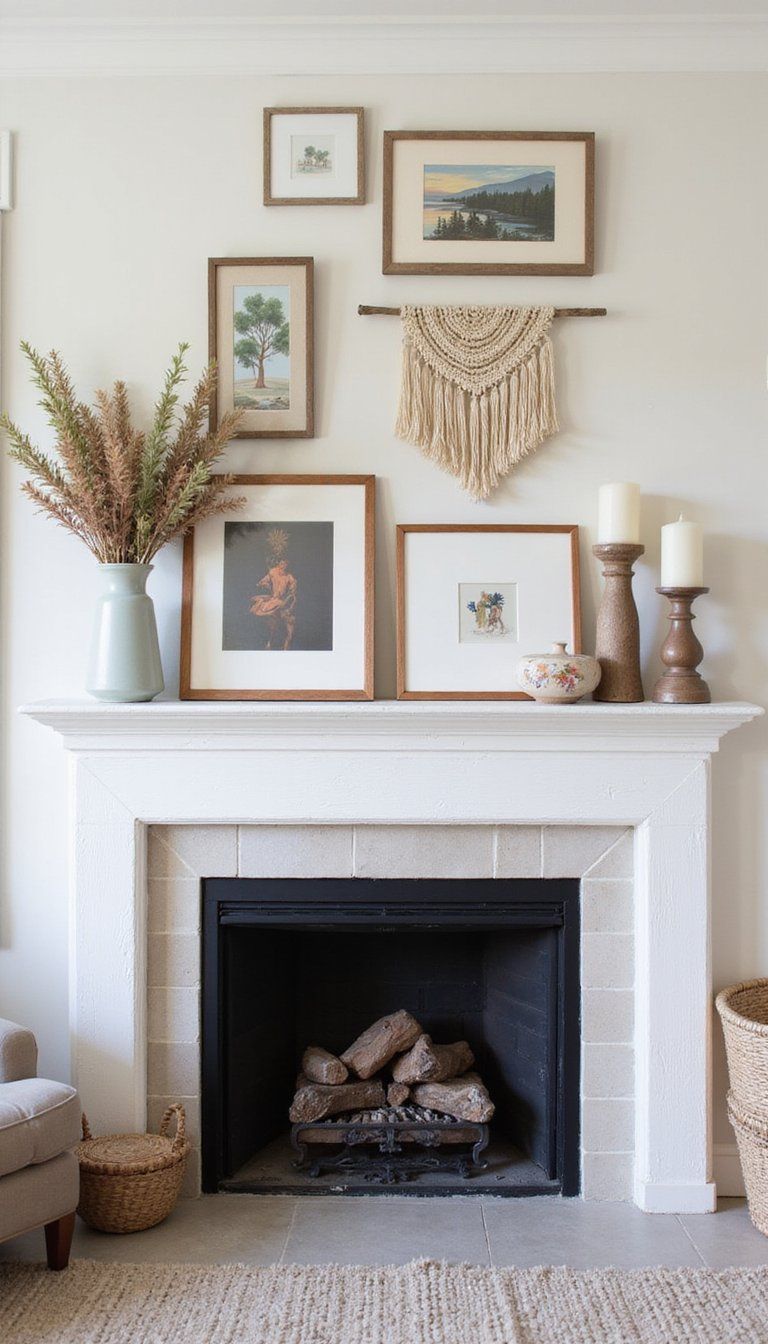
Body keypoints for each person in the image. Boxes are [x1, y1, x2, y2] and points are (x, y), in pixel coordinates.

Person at [250, 558, 298, 650]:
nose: (284, 566)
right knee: (269, 618)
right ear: (279, 564)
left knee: (287, 626)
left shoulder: (289, 576)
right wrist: (264, 584)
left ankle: (283, 647)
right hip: (274, 599)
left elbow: (293, 591)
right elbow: (263, 581)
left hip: (283, 601)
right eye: (282, 563)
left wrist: (289, 598)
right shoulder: (273, 572)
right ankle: (269, 642)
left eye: (286, 564)